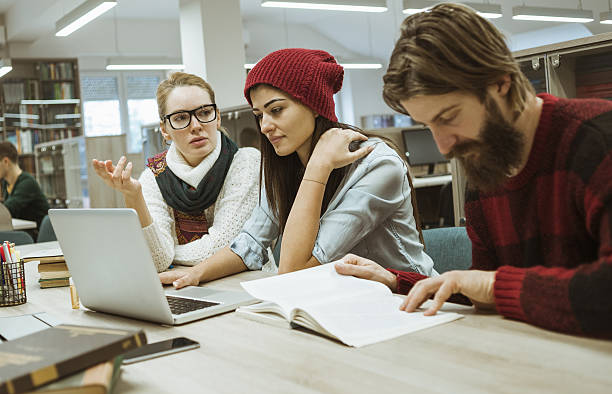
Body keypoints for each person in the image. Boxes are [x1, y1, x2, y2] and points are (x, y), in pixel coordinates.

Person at [335, 3, 612, 338]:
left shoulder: (599, 139)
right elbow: (490, 288)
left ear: (500, 83)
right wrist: (399, 281)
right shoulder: (485, 163)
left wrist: (493, 285)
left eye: (448, 117)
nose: (444, 147)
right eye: (427, 125)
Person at [160, 48, 435, 288]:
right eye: (259, 115)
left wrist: (318, 166)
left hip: (408, 301)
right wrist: (195, 274)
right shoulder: (285, 165)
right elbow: (252, 243)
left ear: (314, 105)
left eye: (276, 110)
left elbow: (292, 270)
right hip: (340, 302)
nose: (265, 126)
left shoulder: (376, 163)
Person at [92, 72, 260, 272]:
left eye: (205, 113)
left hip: (248, 288)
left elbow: (223, 247)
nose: (196, 126)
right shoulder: (154, 177)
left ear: (218, 118)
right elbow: (157, 262)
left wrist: (168, 251)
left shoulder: (246, 162)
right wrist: (133, 197)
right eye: (181, 118)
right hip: (185, 286)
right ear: (164, 129)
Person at [0, 141, 49, 229]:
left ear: (6, 162)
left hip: (35, 236)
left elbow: (7, 211)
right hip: (21, 232)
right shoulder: (5, 183)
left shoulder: (27, 183)